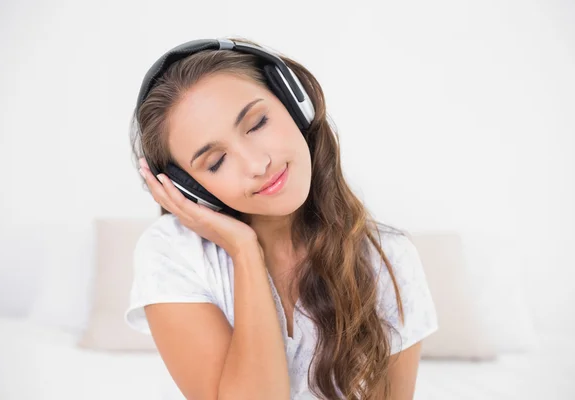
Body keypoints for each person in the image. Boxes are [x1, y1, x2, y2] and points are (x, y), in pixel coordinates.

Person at [125, 36, 439, 400]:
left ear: (294, 102)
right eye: (216, 162)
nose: (258, 165)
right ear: (190, 188)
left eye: (257, 123)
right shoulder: (171, 253)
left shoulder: (389, 258)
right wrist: (245, 251)